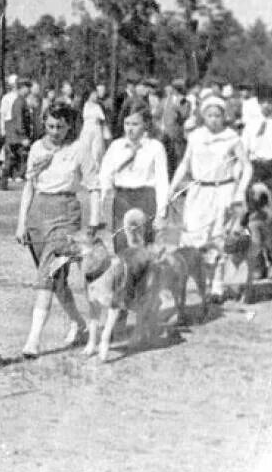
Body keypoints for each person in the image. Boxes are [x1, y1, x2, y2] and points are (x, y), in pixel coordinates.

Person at [16, 103, 99, 358]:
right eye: (50, 126)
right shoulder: (36, 148)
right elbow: (29, 186)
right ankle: (78, 322)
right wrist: (21, 222)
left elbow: (94, 185)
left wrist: (94, 219)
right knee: (56, 278)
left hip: (66, 214)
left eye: (60, 127)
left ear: (70, 126)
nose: (54, 131)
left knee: (46, 275)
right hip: (38, 215)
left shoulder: (79, 149)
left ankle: (33, 340)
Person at [170, 95, 253, 304]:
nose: (214, 119)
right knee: (194, 238)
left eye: (218, 115)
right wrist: (172, 188)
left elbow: (247, 166)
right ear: (203, 116)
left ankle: (217, 285)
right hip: (199, 193)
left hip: (223, 191)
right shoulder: (196, 136)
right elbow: (185, 164)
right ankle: (194, 283)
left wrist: (240, 191)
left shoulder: (231, 137)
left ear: (224, 116)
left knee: (219, 239)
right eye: (209, 115)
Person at [99, 103, 169, 253]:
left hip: (146, 199)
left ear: (146, 124)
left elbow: (162, 181)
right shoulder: (116, 146)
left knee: (143, 250)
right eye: (127, 123)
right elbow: (105, 175)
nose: (130, 128)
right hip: (122, 199)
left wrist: (161, 213)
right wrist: (103, 203)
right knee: (122, 246)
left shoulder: (155, 147)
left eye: (135, 124)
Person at [0, 78, 33, 190]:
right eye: (27, 88)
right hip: (17, 137)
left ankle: (3, 182)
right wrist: (23, 137)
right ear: (22, 88)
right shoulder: (19, 102)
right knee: (24, 157)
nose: (29, 90)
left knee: (12, 159)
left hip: (14, 136)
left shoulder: (21, 101)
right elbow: (19, 121)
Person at [160, 78, 191, 179]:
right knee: (166, 157)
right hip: (166, 133)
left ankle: (177, 180)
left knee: (177, 157)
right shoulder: (166, 100)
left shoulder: (184, 101)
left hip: (176, 134)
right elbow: (157, 113)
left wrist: (177, 107)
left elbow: (185, 115)